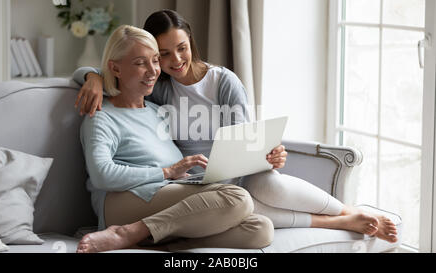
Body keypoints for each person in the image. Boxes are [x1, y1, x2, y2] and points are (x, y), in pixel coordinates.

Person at [73, 10, 398, 244]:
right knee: (240, 201)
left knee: (260, 226)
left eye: (179, 49)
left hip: (215, 181)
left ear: (191, 43)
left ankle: (346, 212)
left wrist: (265, 153)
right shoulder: (153, 93)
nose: (167, 64)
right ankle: (134, 232)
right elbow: (110, 73)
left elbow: (244, 139)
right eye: (161, 55)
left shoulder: (204, 87)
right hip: (184, 186)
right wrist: (93, 78)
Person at [76, 24, 275, 253]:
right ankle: (127, 232)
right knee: (237, 198)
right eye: (140, 63)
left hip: (165, 193)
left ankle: (162, 240)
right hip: (121, 201)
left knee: (260, 228)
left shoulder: (156, 109)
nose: (152, 71)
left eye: (154, 60)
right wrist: (167, 172)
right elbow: (102, 176)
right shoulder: (101, 116)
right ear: (115, 69)